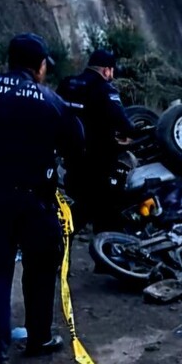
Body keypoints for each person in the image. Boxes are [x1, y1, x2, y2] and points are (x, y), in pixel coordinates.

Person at [0, 33, 85, 364]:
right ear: (40, 66)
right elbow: (77, 142)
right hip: (34, 200)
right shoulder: (49, 100)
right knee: (42, 266)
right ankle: (39, 337)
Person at [57, 49, 139, 234]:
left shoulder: (67, 84)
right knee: (106, 212)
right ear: (106, 70)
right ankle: (105, 258)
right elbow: (122, 122)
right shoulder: (105, 89)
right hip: (98, 162)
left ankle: (61, 244)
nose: (112, 75)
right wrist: (134, 133)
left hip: (71, 160)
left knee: (86, 204)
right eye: (112, 71)